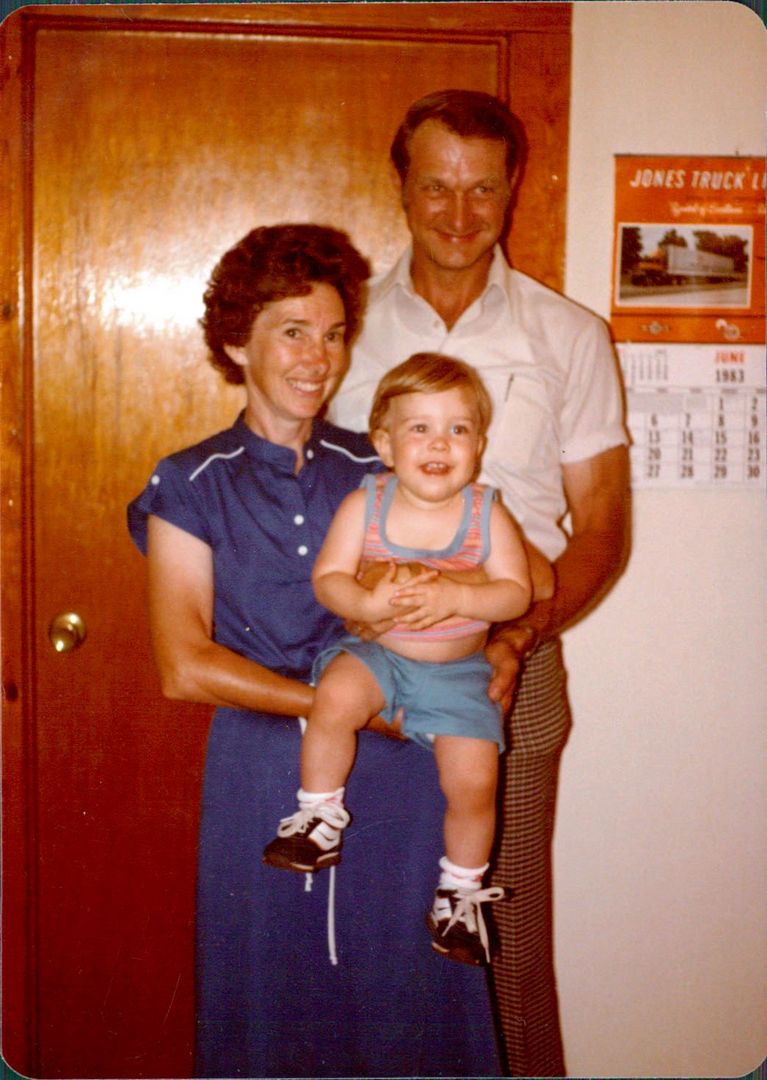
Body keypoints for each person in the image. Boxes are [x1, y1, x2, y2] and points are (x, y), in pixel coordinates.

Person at [127, 224, 503, 1079]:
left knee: (407, 985)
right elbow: (184, 666)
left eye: (332, 334)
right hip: (268, 766)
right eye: (291, 331)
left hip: (404, 756)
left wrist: (495, 643)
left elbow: (492, 566)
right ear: (236, 342)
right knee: (271, 992)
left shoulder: (380, 463)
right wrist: (338, 706)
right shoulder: (191, 481)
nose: (317, 358)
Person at [329, 90, 631, 1077]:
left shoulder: (568, 335)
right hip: (370, 668)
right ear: (400, 188)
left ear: (512, 189)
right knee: (364, 926)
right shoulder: (343, 330)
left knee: (500, 942)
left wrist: (514, 637)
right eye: (436, 188)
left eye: (482, 190)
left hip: (513, 666)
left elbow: (601, 525)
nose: (459, 215)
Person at [264, 353, 552, 966]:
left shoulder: (487, 512)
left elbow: (516, 592)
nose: (439, 443)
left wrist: (458, 596)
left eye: (458, 429)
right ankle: (318, 814)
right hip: (380, 655)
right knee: (334, 697)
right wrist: (364, 601)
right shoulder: (365, 504)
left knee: (475, 779)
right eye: (419, 427)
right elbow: (329, 579)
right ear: (384, 444)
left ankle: (460, 892)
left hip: (458, 674)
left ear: (479, 445)